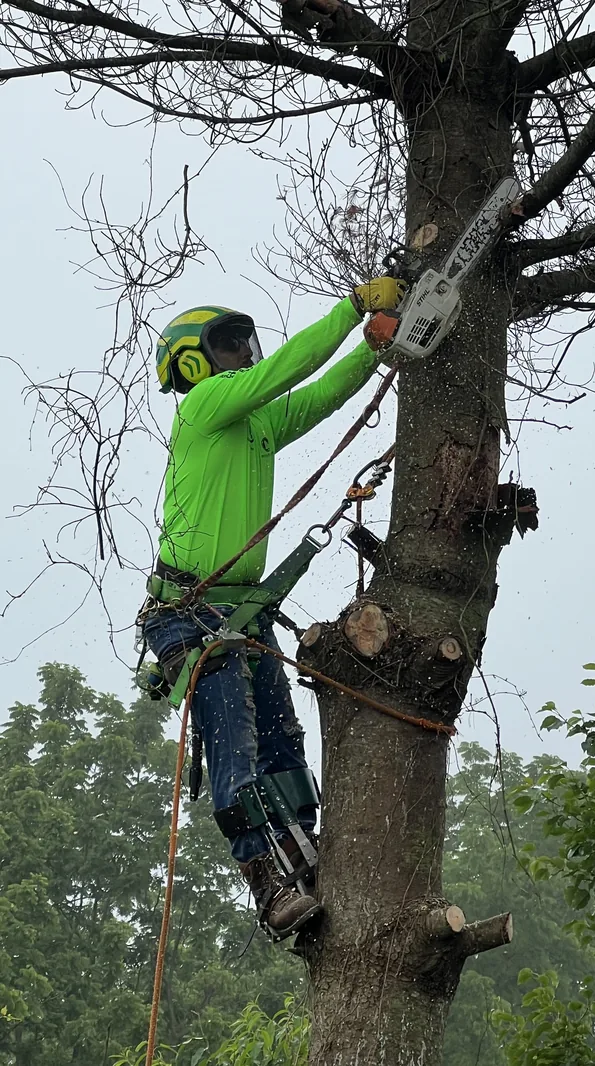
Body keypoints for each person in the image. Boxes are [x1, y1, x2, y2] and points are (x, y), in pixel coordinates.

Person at [140, 277, 405, 939]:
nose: (244, 356)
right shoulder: (203, 405)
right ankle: (265, 880)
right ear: (193, 361)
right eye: (228, 345)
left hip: (241, 611)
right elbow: (293, 368)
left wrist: (374, 349)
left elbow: (316, 396)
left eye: (243, 344)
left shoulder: (251, 422)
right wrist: (352, 309)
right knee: (238, 748)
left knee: (283, 743)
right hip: (191, 614)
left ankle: (308, 855)